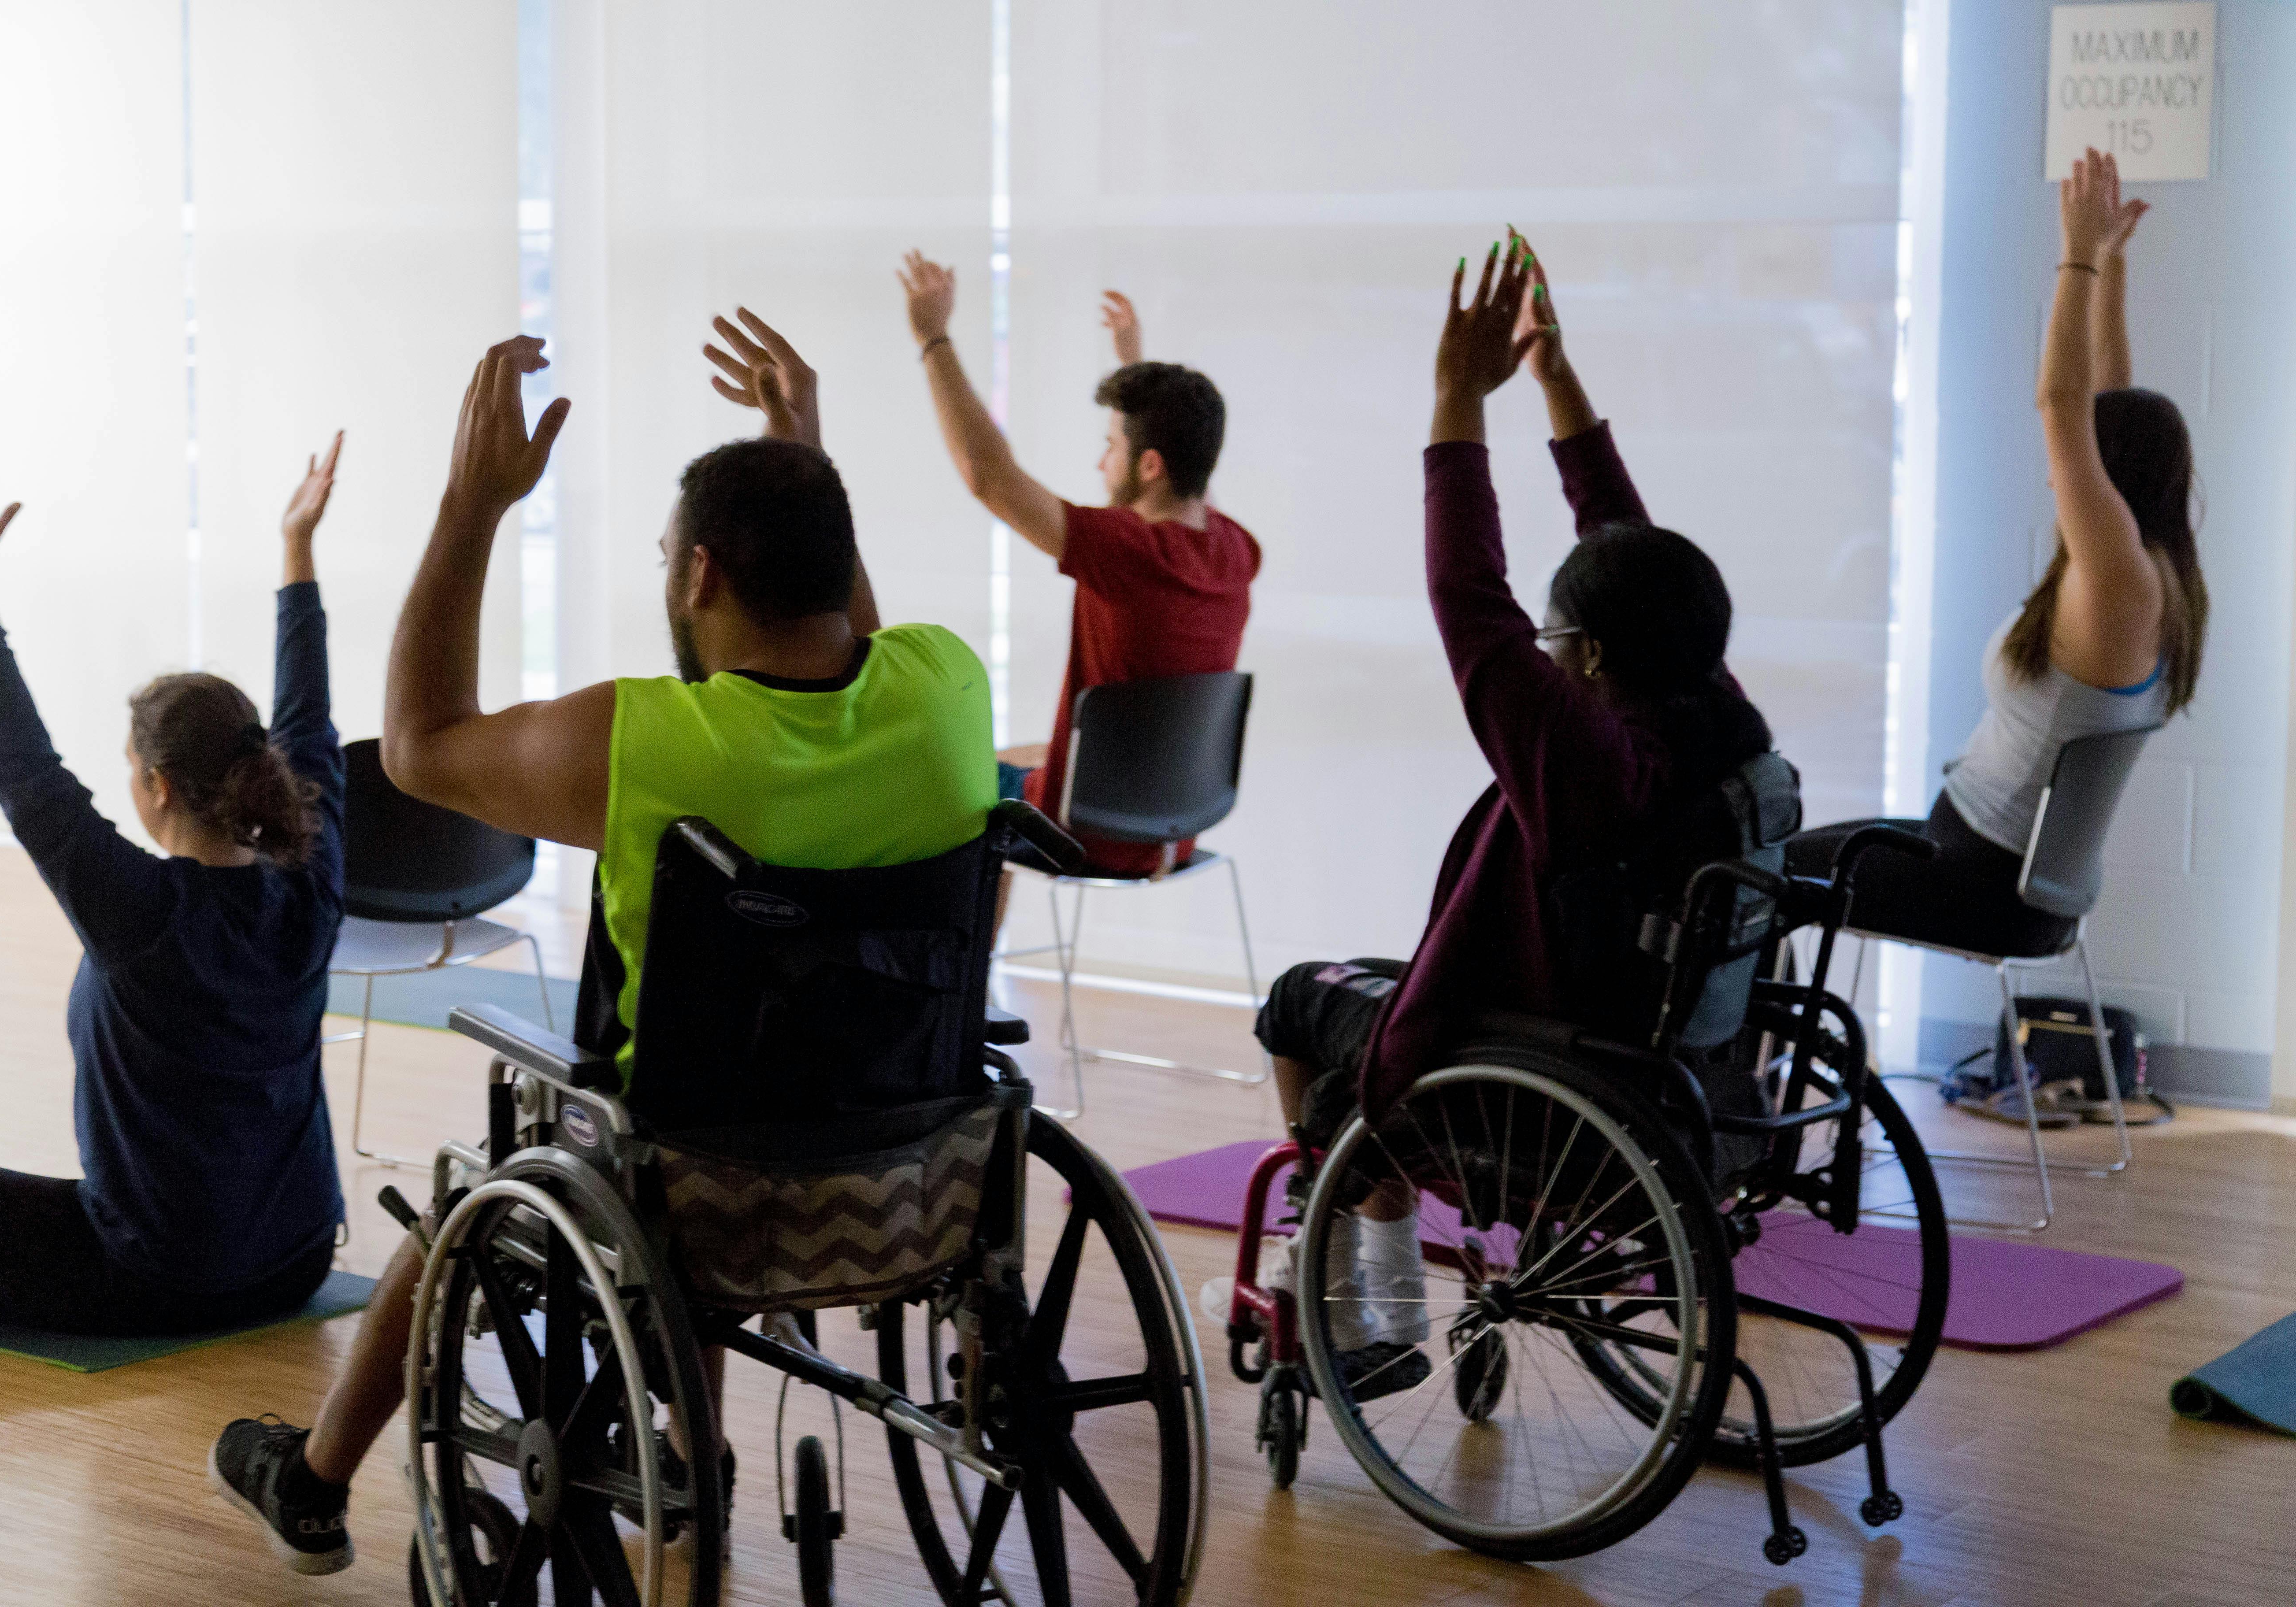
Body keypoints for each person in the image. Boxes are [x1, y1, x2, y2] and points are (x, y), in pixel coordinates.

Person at [210, 318, 995, 1576]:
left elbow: (416, 745)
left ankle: (312, 1479)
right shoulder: (948, 688)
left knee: (495, 1165)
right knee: (704, 1079)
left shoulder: (647, 744)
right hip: (914, 1157)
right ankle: (692, 1450)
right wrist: (805, 456)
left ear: (699, 580)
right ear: (838, 565)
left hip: (697, 1178)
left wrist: (472, 504)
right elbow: (864, 646)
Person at [1250, 235, 1776, 1397]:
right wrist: (1554, 382)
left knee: (1303, 1003)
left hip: (1540, 1080)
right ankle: (1374, 1269)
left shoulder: (1582, 763)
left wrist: (1454, 400)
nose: (1539, 650)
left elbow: (1467, 597)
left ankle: (1370, 1296)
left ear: (1583, 658)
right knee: (1361, 1008)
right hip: (1665, 1064)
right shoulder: (1717, 718)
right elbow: (1627, 547)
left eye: (1554, 641)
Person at [0, 438, 349, 1340]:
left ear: (158, 788)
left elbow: (19, 764)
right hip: (297, 1263)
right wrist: (297, 549)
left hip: (157, 1277)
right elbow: (311, 725)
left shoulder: (137, 912)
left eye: (131, 767)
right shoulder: (311, 887)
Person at [1787, 150, 2206, 974]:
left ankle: (1734, 1095)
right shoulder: (2157, 577)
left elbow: (2062, 406)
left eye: (2083, 460)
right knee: (1778, 860)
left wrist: (2078, 255)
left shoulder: (2119, 584)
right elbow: (2102, 402)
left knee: (1745, 883)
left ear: (2106, 476)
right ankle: (1751, 1085)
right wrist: (2114, 270)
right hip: (1988, 866)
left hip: (1980, 882)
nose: (2059, 469)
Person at [899, 255, 1261, 879]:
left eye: (1111, 447)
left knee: (933, 780)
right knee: (1019, 758)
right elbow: (1186, 478)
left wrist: (933, 337)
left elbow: (990, 478)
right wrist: (1135, 367)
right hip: (1169, 827)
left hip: (1084, 831)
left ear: (1148, 466)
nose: (1101, 465)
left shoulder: (1126, 552)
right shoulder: (1235, 552)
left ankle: (967, 967)